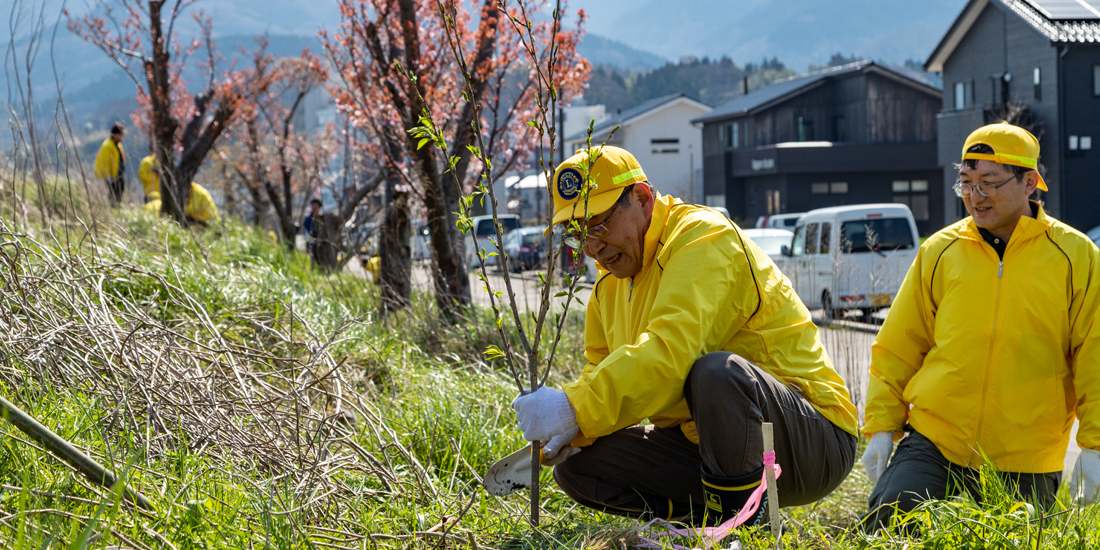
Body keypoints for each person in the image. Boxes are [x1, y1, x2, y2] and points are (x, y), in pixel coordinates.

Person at [510, 146, 858, 527]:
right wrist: (577, 428)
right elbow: (603, 367)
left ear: (642, 198)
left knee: (717, 372)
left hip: (813, 441)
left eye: (599, 225)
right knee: (580, 469)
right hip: (708, 448)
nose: (592, 247)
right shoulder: (611, 279)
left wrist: (571, 406)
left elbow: (669, 355)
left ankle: (744, 526)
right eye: (576, 234)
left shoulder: (703, 239)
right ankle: (711, 521)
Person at [860, 122, 1100, 531]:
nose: (975, 196)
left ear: (1030, 183)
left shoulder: (1075, 256)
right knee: (888, 525)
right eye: (966, 183)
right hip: (935, 441)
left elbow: (1095, 354)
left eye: (989, 183)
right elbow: (899, 344)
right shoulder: (940, 251)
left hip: (1027, 457)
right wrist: (882, 425)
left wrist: (1095, 447)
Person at [144, 182, 220, 225]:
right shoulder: (193, 190)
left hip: (209, 221)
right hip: (199, 218)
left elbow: (194, 208)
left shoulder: (199, 192)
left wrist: (181, 208)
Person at [94, 123, 127, 205]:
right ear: (115, 134)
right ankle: (113, 208)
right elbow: (104, 162)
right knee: (114, 193)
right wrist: (108, 176)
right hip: (112, 176)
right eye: (120, 135)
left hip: (118, 174)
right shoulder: (107, 145)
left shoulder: (117, 145)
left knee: (119, 191)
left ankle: (116, 208)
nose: (121, 137)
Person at [302, 198, 323, 263]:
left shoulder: (322, 218)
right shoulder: (308, 218)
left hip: (321, 242)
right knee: (313, 258)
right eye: (313, 205)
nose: (314, 207)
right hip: (311, 241)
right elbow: (307, 227)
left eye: (316, 206)